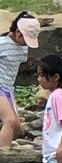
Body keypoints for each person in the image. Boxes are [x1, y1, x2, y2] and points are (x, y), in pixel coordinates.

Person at [0, 12, 39, 147]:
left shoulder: (23, 47)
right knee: (10, 121)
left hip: (8, 88)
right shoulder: (2, 44)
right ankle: (4, 156)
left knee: (16, 127)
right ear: (17, 33)